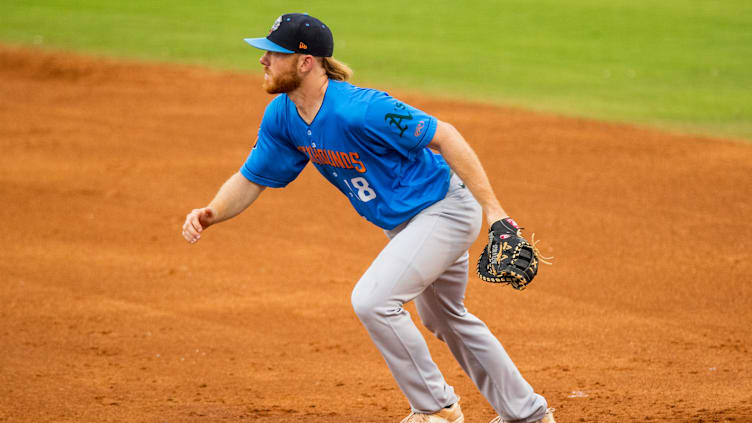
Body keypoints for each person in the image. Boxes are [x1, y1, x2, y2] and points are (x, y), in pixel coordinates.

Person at [181, 13, 555, 423]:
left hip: (444, 209)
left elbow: (444, 134)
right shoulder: (283, 116)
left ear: (306, 62)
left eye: (274, 53)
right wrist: (212, 213)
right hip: (408, 225)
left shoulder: (362, 110)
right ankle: (527, 414)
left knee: (374, 300)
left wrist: (495, 212)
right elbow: (252, 178)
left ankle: (436, 409)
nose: (263, 60)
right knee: (445, 317)